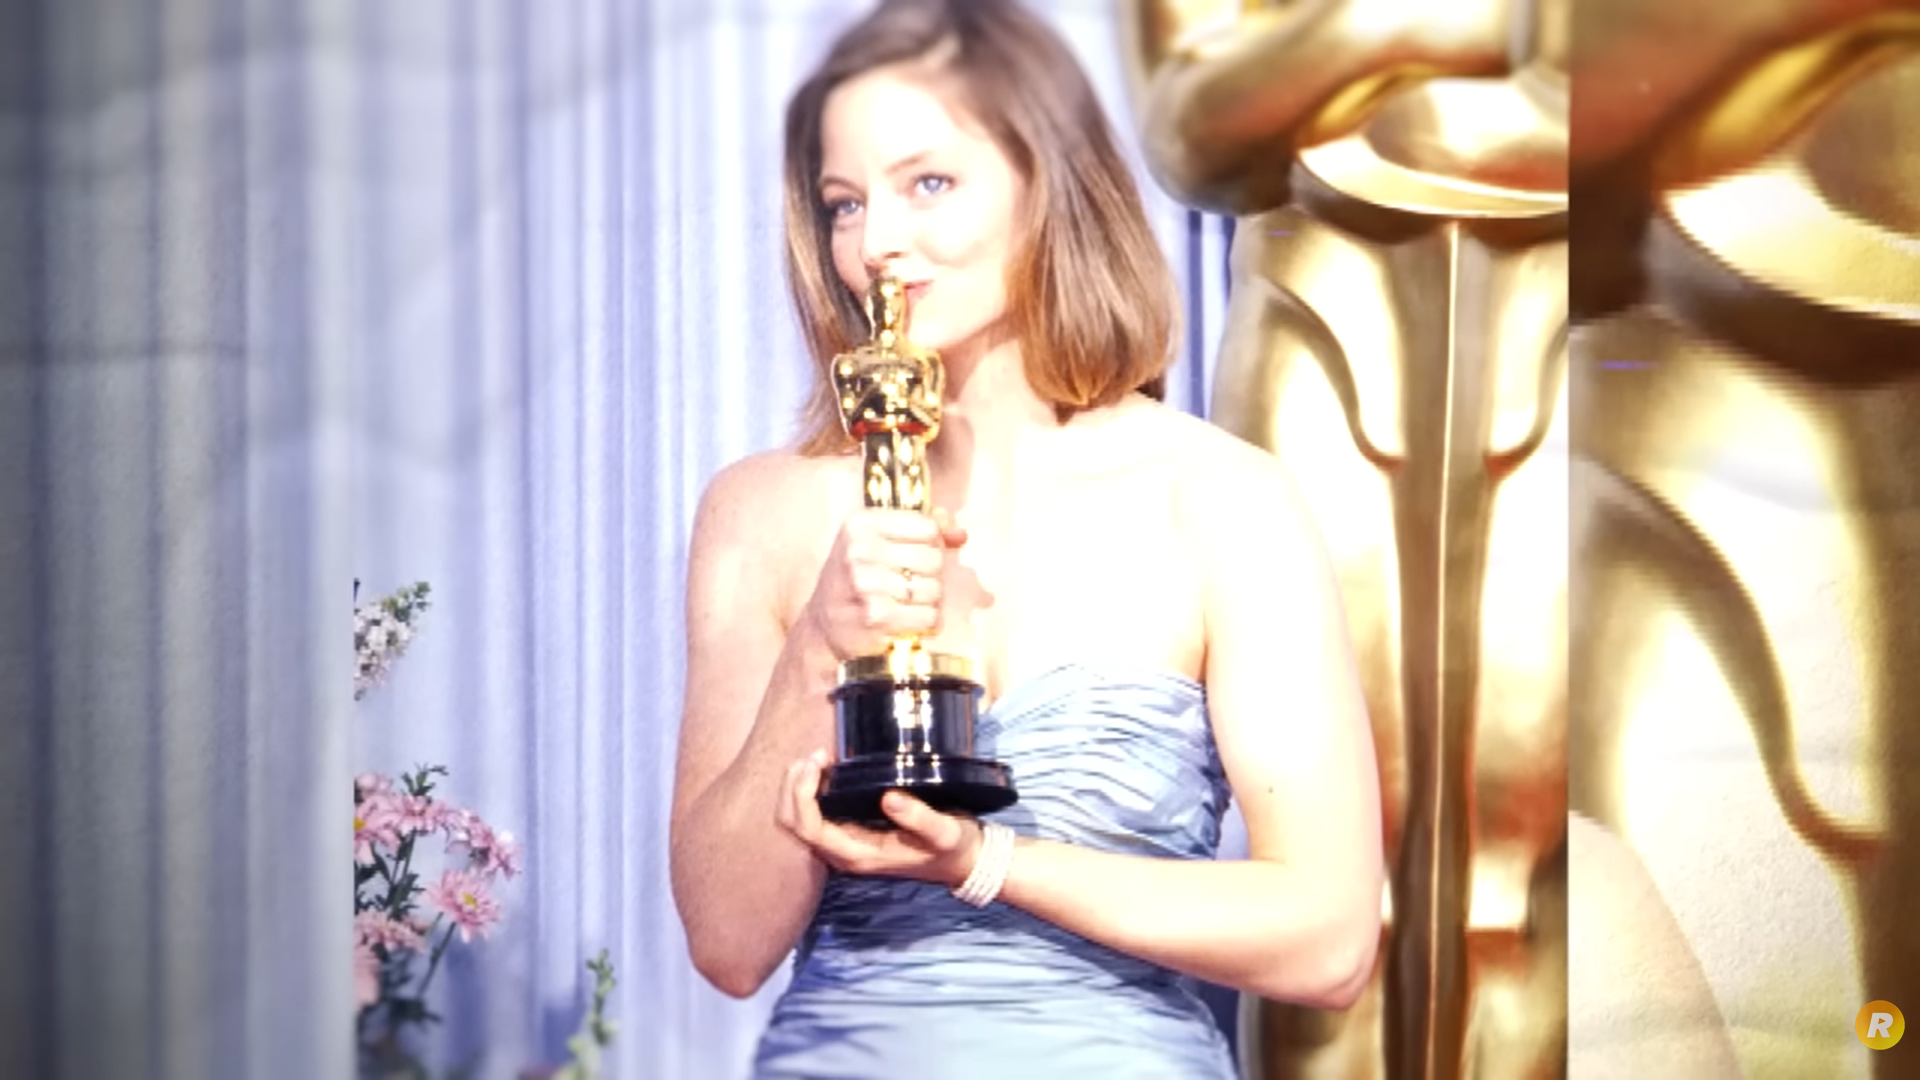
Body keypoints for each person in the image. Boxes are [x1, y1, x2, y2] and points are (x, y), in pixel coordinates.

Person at [667, 2, 1383, 1076]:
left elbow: (1328, 940)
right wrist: (821, 642)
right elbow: (727, 946)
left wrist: (986, 860)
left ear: (1047, 181)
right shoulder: (760, 512)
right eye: (846, 203)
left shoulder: (1220, 498)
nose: (877, 244)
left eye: (928, 184)